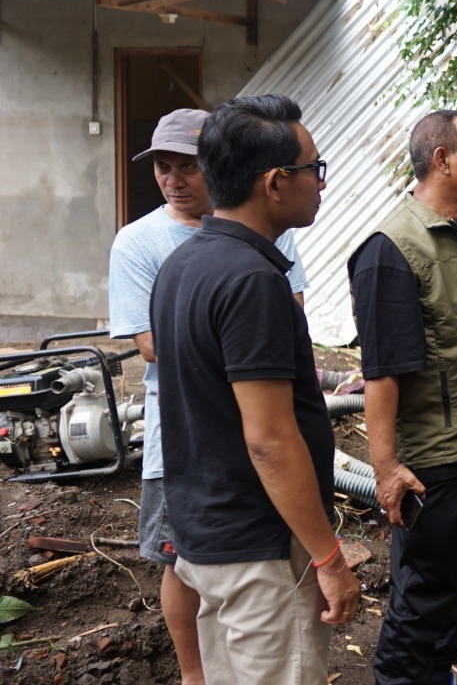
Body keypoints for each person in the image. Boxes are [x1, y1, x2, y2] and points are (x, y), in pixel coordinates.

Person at [149, 95, 359, 685]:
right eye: (314, 169)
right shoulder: (252, 282)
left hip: (205, 535)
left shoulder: (182, 266)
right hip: (259, 550)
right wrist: (328, 557)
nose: (321, 183)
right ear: (274, 182)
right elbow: (269, 438)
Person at [108, 108, 313, 685]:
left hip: (256, 426)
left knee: (246, 560)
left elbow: (292, 316)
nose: (173, 179)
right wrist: (241, 341)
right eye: (163, 167)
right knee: (181, 560)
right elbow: (150, 344)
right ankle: (193, 674)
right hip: (185, 431)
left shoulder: (268, 230)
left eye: (187, 166)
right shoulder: (141, 242)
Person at [349, 111, 457, 685]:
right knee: (421, 608)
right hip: (438, 466)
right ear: (441, 159)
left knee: (452, 601)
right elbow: (382, 372)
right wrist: (386, 469)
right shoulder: (393, 249)